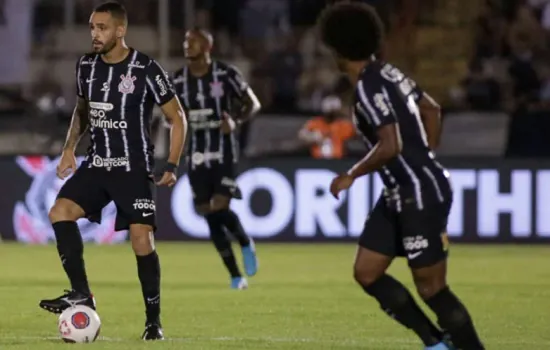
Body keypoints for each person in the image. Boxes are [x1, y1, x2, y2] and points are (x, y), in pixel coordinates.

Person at [318, 3, 485, 350]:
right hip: (401, 190)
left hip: (418, 191)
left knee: (432, 288)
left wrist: (351, 174)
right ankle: (435, 343)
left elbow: (390, 144)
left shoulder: (367, 85)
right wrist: (427, 153)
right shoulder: (389, 72)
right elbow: (431, 109)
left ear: (337, 48)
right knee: (367, 272)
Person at [38, 1, 187, 341]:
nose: (95, 33)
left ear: (120, 31)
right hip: (98, 164)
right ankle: (81, 293)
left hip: (133, 168)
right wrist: (69, 149)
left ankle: (153, 321)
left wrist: (173, 163)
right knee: (60, 212)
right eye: (92, 27)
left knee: (140, 241)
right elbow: (82, 110)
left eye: (102, 28)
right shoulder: (86, 66)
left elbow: (177, 117)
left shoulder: (146, 68)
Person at [172, 28, 261, 289]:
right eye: (186, 41)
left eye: (194, 41)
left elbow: (252, 103)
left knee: (220, 204)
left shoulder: (226, 74)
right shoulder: (177, 81)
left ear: (207, 46)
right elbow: (171, 116)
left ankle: (244, 241)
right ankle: (235, 275)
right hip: (196, 153)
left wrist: (235, 120)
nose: (187, 45)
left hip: (223, 150)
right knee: (206, 210)